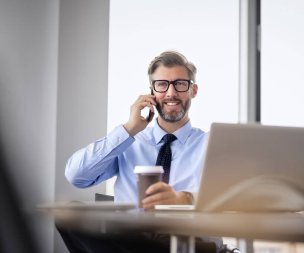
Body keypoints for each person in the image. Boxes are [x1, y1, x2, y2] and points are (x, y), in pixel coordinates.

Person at [59, 51, 224, 253]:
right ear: (152, 92)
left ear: (193, 90)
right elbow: (77, 176)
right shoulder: (128, 142)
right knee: (70, 213)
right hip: (133, 241)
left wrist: (185, 199)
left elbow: (234, 199)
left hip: (189, 242)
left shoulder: (212, 144)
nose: (171, 93)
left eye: (180, 84)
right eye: (162, 84)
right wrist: (129, 128)